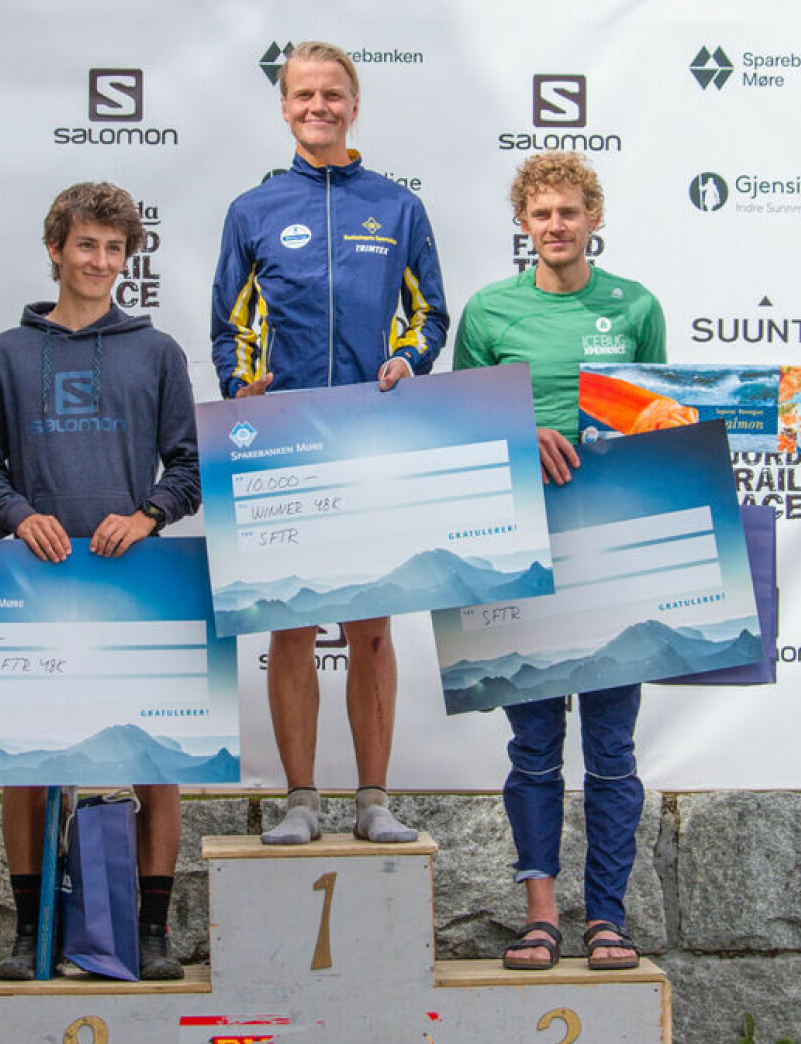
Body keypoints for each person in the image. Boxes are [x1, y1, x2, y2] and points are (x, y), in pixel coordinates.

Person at [211, 41, 448, 845]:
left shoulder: (397, 206)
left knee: (372, 628)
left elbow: (429, 316)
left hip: (375, 440)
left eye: (333, 94)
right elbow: (230, 325)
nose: (319, 106)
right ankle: (301, 801)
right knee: (290, 624)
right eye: (304, 94)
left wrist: (409, 359)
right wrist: (244, 383)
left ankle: (374, 800)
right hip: (285, 442)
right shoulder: (253, 210)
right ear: (283, 107)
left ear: (354, 104)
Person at [0, 181, 201, 979]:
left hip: (136, 579)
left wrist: (148, 515)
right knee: (27, 761)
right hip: (37, 579)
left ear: (127, 259)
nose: (100, 262)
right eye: (86, 246)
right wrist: (16, 514)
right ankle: (30, 931)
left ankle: (153, 933)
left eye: (114, 249)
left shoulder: (157, 352)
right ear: (57, 250)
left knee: (155, 757)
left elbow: (191, 468)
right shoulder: (6, 353)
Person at [453, 152, 667, 971]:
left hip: (613, 542)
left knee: (612, 750)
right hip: (515, 543)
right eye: (541, 214)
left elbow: (661, 422)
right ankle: (540, 916)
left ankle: (606, 918)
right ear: (523, 223)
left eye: (569, 212)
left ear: (594, 218)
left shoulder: (637, 305)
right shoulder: (489, 312)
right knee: (535, 748)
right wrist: (517, 431)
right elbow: (459, 425)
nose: (556, 226)